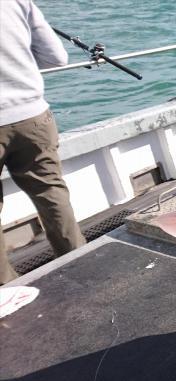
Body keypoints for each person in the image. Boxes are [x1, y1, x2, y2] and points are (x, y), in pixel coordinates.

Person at [0, 0, 86, 284]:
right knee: (51, 193)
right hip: (32, 116)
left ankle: (6, 286)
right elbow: (56, 58)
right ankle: (80, 263)